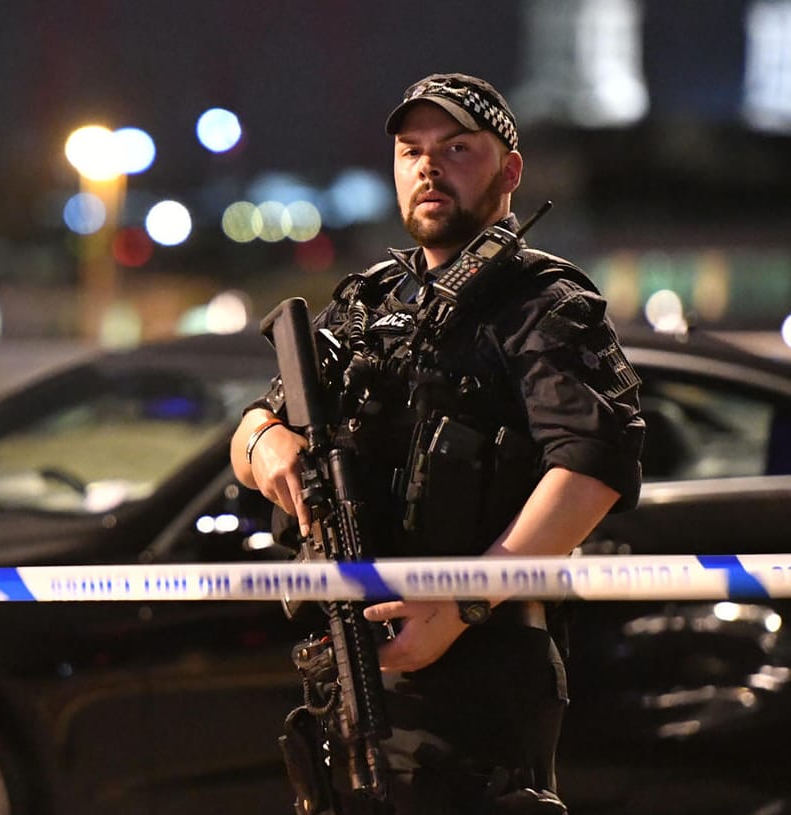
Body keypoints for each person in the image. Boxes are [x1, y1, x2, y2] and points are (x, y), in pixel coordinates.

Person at [231, 74, 643, 814]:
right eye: (410, 150)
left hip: (481, 664)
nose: (428, 167)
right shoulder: (368, 303)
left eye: (456, 148)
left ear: (508, 171)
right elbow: (252, 424)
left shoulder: (542, 302)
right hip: (353, 663)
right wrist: (265, 442)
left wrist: (459, 603)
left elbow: (592, 462)